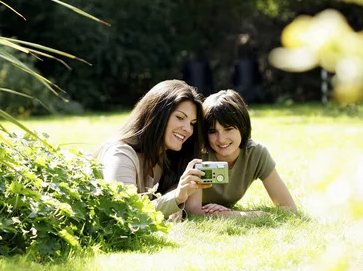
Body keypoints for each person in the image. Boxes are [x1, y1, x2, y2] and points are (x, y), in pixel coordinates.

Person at [96, 80, 207, 218]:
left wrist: (175, 199)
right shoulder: (120, 155)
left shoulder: (162, 157)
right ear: (157, 114)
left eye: (192, 123)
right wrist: (176, 197)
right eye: (179, 118)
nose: (188, 129)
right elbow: (126, 211)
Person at [186, 89, 297, 217]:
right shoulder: (198, 155)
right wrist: (244, 215)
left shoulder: (256, 154)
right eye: (212, 131)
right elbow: (193, 211)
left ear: (242, 127)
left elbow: (289, 207)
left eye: (228, 129)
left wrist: (230, 213)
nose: (221, 139)